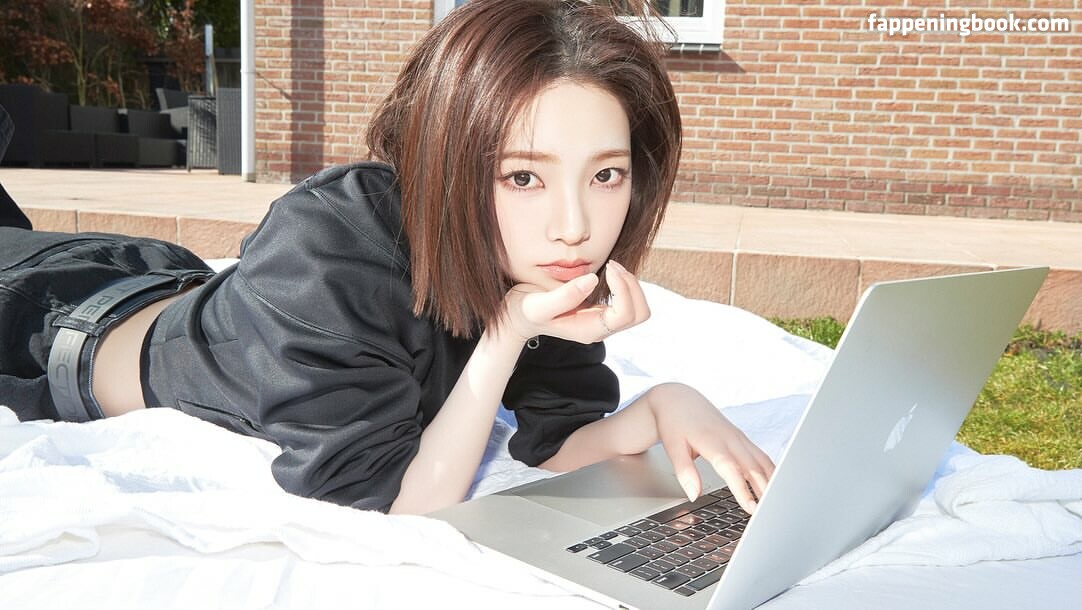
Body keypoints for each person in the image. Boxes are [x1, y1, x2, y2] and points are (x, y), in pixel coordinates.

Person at [0, 0, 774, 515]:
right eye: (523, 176)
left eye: (605, 175)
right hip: (52, 317)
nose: (575, 228)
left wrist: (664, 403)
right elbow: (401, 506)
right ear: (450, 157)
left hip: (167, 276)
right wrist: (504, 335)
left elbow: (555, 444)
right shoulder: (333, 245)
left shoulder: (540, 262)